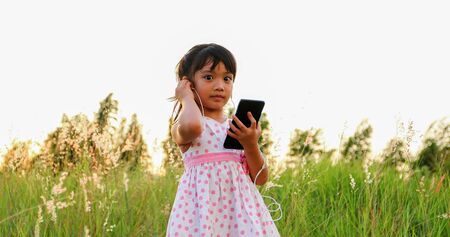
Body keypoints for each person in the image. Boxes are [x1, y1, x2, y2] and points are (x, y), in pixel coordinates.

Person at [166, 43, 281, 236]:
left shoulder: (237, 128)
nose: (220, 86)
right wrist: (186, 97)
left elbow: (260, 178)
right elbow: (194, 126)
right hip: (202, 215)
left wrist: (251, 144)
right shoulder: (185, 124)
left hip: (240, 214)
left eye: (227, 78)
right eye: (208, 77)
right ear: (189, 83)